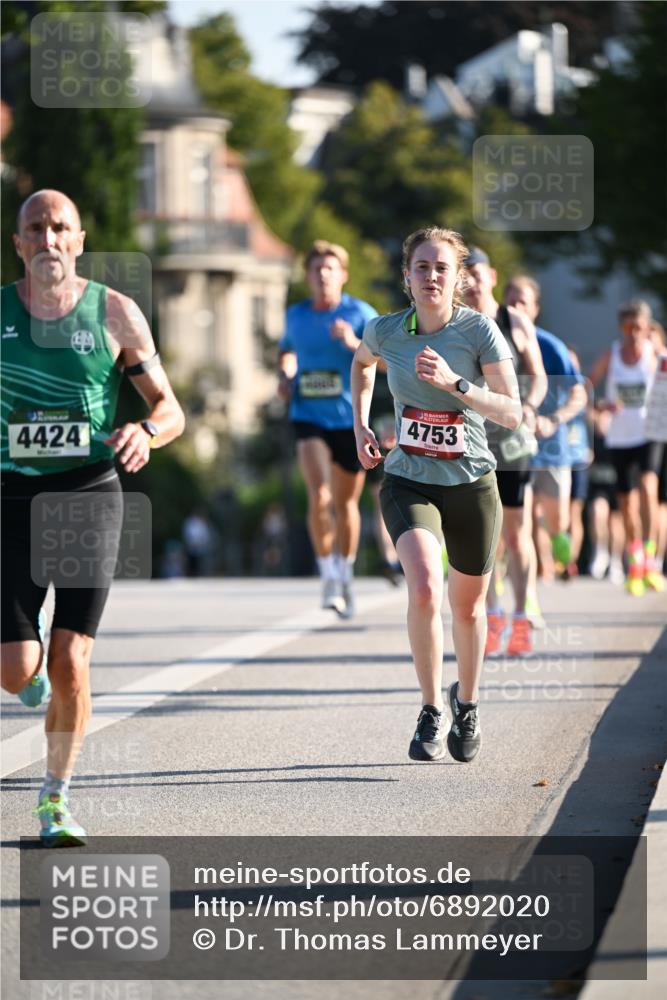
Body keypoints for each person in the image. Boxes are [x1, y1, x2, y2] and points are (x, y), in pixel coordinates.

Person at [1, 190, 185, 845]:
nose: (48, 239)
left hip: (87, 495)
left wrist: (148, 433)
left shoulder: (114, 312)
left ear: (78, 240)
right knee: (16, 668)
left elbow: (170, 407)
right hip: (10, 502)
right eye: (34, 229)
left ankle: (55, 799)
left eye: (60, 228)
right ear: (19, 243)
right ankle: (31, 674)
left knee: (73, 659)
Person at [352, 227, 521, 764]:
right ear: (407, 277)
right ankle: (430, 707)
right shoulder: (385, 331)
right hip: (409, 478)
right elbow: (359, 365)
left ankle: (466, 703)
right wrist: (359, 425)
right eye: (421, 267)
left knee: (467, 609)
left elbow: (513, 412)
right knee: (424, 586)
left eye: (440, 268)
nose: (430, 276)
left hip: (472, 481)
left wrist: (457, 385)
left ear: (458, 278)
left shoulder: (479, 332)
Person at [278, 241, 377, 618]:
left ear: (343, 275)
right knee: (318, 495)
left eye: (329, 269)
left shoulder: (360, 313)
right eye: (316, 269)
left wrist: (353, 343)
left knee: (344, 503)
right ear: (307, 276)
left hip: (350, 420)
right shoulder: (296, 315)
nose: (322, 275)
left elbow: (385, 363)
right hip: (308, 415)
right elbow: (286, 351)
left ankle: (345, 571)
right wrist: (285, 374)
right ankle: (328, 577)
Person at [464, 250, 547, 658]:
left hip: (511, 439)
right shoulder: (457, 322)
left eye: (477, 275)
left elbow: (540, 376)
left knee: (515, 531)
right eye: (466, 277)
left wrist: (529, 405)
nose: (472, 283)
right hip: (473, 439)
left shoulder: (515, 321)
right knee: (484, 531)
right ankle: (492, 615)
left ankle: (520, 614)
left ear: (492, 276)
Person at [503, 276, 588, 606]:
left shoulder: (550, 346)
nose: (516, 308)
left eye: (523, 302)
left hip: (552, 450)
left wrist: (554, 419)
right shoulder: (496, 341)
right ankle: (529, 595)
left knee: (556, 522)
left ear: (535, 309)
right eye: (510, 301)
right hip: (513, 449)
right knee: (520, 525)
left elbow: (579, 393)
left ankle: (561, 550)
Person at [589, 300, 664, 595]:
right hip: (620, 437)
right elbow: (586, 385)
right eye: (627, 327)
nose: (633, 333)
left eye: (639, 327)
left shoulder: (655, 354)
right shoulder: (612, 356)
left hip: (649, 433)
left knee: (648, 488)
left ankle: (650, 560)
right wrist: (601, 406)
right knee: (627, 505)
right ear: (621, 328)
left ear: (647, 328)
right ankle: (636, 562)